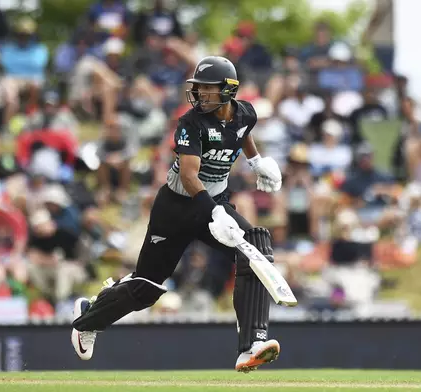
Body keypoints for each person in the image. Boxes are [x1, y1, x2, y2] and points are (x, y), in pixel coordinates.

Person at [70, 56, 283, 372]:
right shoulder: (191, 123)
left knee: (255, 248)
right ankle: (89, 317)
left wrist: (256, 163)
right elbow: (188, 175)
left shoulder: (245, 113)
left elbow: (242, 134)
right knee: (146, 288)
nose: (199, 95)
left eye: (207, 90)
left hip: (215, 202)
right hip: (177, 206)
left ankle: (251, 345)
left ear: (228, 91)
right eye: (197, 89)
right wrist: (214, 213)